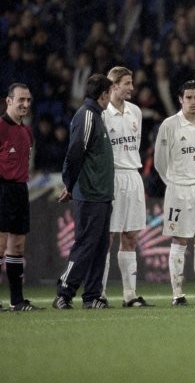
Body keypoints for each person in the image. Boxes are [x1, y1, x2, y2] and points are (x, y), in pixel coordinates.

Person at [155, 80, 195, 306]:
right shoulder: (169, 125)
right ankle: (178, 294)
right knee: (180, 239)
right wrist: (174, 182)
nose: (193, 102)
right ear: (180, 100)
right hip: (179, 188)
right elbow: (160, 161)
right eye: (189, 98)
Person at [54, 74, 116, 309]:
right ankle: (64, 292)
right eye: (109, 93)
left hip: (101, 194)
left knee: (99, 246)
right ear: (103, 95)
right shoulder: (88, 116)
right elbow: (75, 152)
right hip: (90, 193)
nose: (111, 98)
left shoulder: (96, 116)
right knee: (86, 244)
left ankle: (91, 296)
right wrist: (69, 185)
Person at [101, 66, 152, 307]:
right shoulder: (102, 114)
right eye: (127, 83)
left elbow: (134, 145)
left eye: (131, 83)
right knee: (107, 237)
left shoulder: (136, 112)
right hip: (111, 178)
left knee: (130, 236)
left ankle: (129, 295)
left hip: (133, 175)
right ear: (114, 86)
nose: (132, 87)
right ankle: (98, 293)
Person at [0, 83, 39, 311]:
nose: (25, 104)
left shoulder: (27, 132)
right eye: (20, 100)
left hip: (20, 191)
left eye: (28, 100)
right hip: (2, 189)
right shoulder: (1, 128)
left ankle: (17, 301)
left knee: (17, 248)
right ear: (9, 101)